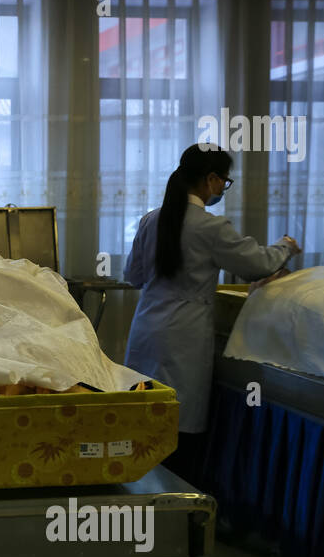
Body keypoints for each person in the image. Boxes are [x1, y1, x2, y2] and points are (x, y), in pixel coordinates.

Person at [123, 144, 300, 478]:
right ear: (211, 179)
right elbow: (256, 264)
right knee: (179, 428)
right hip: (185, 335)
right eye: (224, 182)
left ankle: (140, 500)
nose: (223, 189)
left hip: (146, 328)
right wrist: (285, 247)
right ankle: (177, 508)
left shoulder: (151, 220)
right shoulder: (210, 226)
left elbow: (133, 276)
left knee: (144, 421)